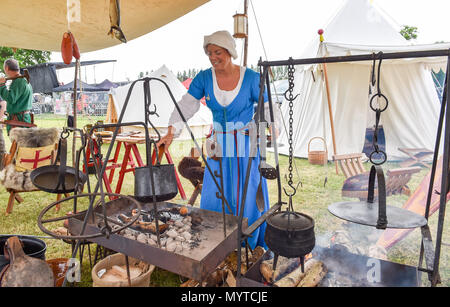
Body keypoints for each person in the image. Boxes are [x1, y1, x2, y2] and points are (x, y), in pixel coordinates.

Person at [158, 30, 281, 250]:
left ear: (230, 52)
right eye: (209, 53)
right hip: (219, 146)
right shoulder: (204, 78)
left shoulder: (252, 78)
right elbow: (186, 105)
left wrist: (272, 127)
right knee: (216, 192)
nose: (213, 57)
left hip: (245, 144)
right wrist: (170, 132)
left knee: (247, 192)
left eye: (218, 52)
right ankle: (216, 243)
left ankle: (247, 244)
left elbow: (269, 106)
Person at [0, 58, 33, 134]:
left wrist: (2, 85)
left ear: (7, 68)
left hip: (19, 120)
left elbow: (11, 99)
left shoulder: (19, 81)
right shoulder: (22, 80)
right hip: (21, 119)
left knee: (19, 145)